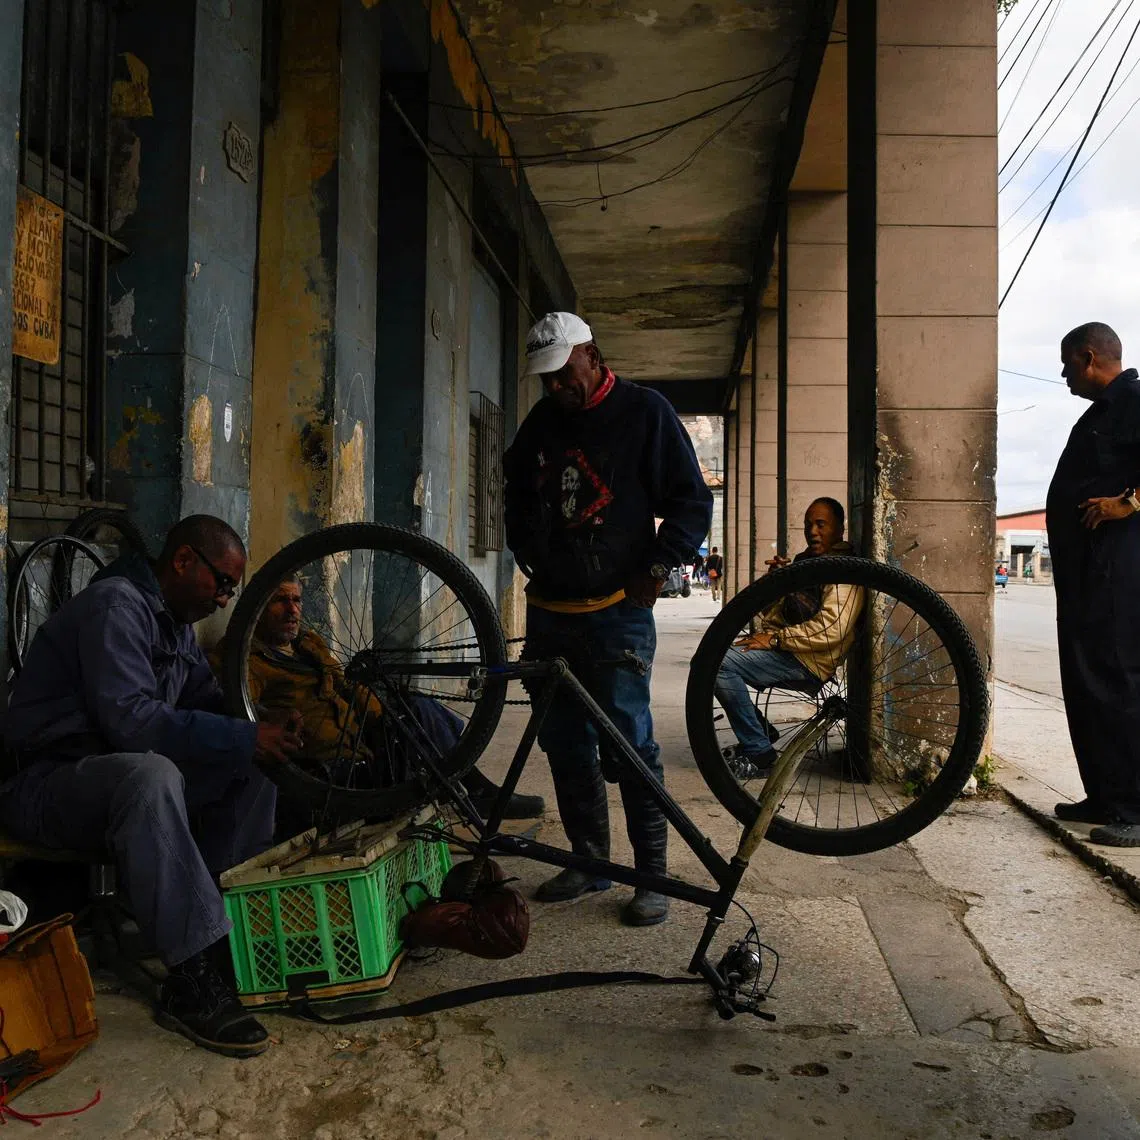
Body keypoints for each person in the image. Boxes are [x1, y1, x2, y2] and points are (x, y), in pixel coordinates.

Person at [0, 516, 299, 1058]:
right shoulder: (116, 607)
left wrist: (264, 723)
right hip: (43, 785)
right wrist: (237, 736)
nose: (227, 599)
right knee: (150, 773)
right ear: (183, 561)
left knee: (254, 763)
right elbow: (131, 722)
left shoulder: (176, 626)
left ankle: (222, 936)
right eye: (223, 583)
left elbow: (205, 703)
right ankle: (190, 978)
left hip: (102, 779)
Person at [504, 312, 712, 926]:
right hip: (550, 611)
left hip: (617, 613)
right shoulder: (542, 423)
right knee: (564, 740)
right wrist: (527, 550)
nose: (557, 389)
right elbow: (516, 490)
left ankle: (651, 875)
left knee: (629, 741)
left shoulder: (646, 412)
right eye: (546, 380)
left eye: (565, 374)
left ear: (592, 356)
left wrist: (659, 564)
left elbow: (691, 500)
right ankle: (591, 861)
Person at [229, 576, 544, 830]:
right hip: (331, 767)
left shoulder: (308, 644)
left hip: (363, 737)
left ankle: (472, 788)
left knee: (415, 709)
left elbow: (346, 683)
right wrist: (270, 715)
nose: (292, 610)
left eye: (296, 600)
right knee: (418, 721)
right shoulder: (246, 662)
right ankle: (471, 790)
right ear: (257, 607)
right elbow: (241, 713)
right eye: (280, 601)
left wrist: (386, 715)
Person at [1047, 321, 1140, 846]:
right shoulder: (1099, 415)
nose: (1063, 375)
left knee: (1120, 683)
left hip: (1116, 577)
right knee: (1087, 687)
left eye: (1066, 365)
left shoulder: (1132, 400)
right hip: (1085, 580)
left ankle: (1135, 807)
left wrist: (1127, 503)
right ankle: (1104, 794)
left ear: (1088, 357)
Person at [713, 498, 861, 777]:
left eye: (821, 524)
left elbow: (833, 628)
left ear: (840, 528)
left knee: (717, 664)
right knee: (711, 658)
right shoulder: (808, 563)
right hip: (790, 649)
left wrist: (775, 640)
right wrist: (778, 584)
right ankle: (760, 733)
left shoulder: (843, 569)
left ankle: (760, 752)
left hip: (807, 660)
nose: (812, 532)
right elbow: (778, 613)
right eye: (808, 525)